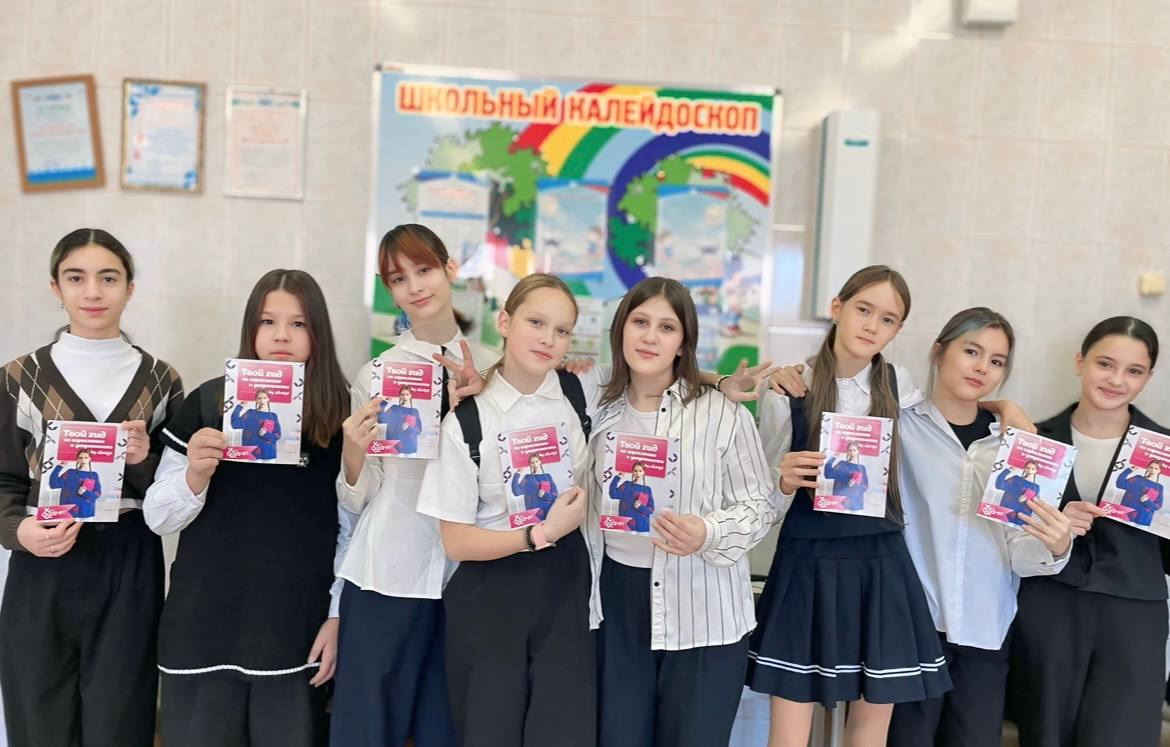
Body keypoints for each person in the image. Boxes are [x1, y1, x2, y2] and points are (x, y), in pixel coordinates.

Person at [144, 269, 348, 747]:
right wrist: (195, 474)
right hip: (203, 627)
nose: (281, 336)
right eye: (267, 322)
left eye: (298, 324)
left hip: (297, 632)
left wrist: (339, 616)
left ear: (318, 331)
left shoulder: (341, 415)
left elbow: (354, 527)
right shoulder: (208, 403)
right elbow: (158, 517)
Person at [0, 228, 184, 747]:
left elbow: (177, 492)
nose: (93, 292)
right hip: (44, 560)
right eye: (76, 278)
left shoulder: (161, 380)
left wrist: (145, 461)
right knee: (39, 716)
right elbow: (4, 480)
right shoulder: (18, 378)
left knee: (120, 719)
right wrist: (18, 531)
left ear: (130, 288)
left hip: (129, 561)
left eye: (109, 278)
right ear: (56, 288)